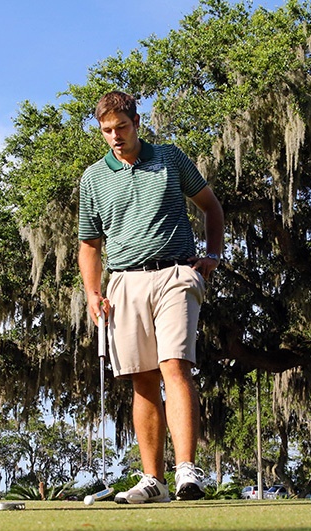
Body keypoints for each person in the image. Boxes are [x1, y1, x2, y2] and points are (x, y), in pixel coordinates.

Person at [78, 91, 224, 504]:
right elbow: (89, 244)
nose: (115, 137)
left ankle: (187, 472)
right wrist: (92, 292)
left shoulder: (171, 159)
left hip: (175, 272)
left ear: (136, 122)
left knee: (174, 365)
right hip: (124, 282)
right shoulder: (93, 178)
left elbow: (211, 207)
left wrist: (212, 255)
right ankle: (152, 480)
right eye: (106, 131)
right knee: (142, 380)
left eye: (121, 128)